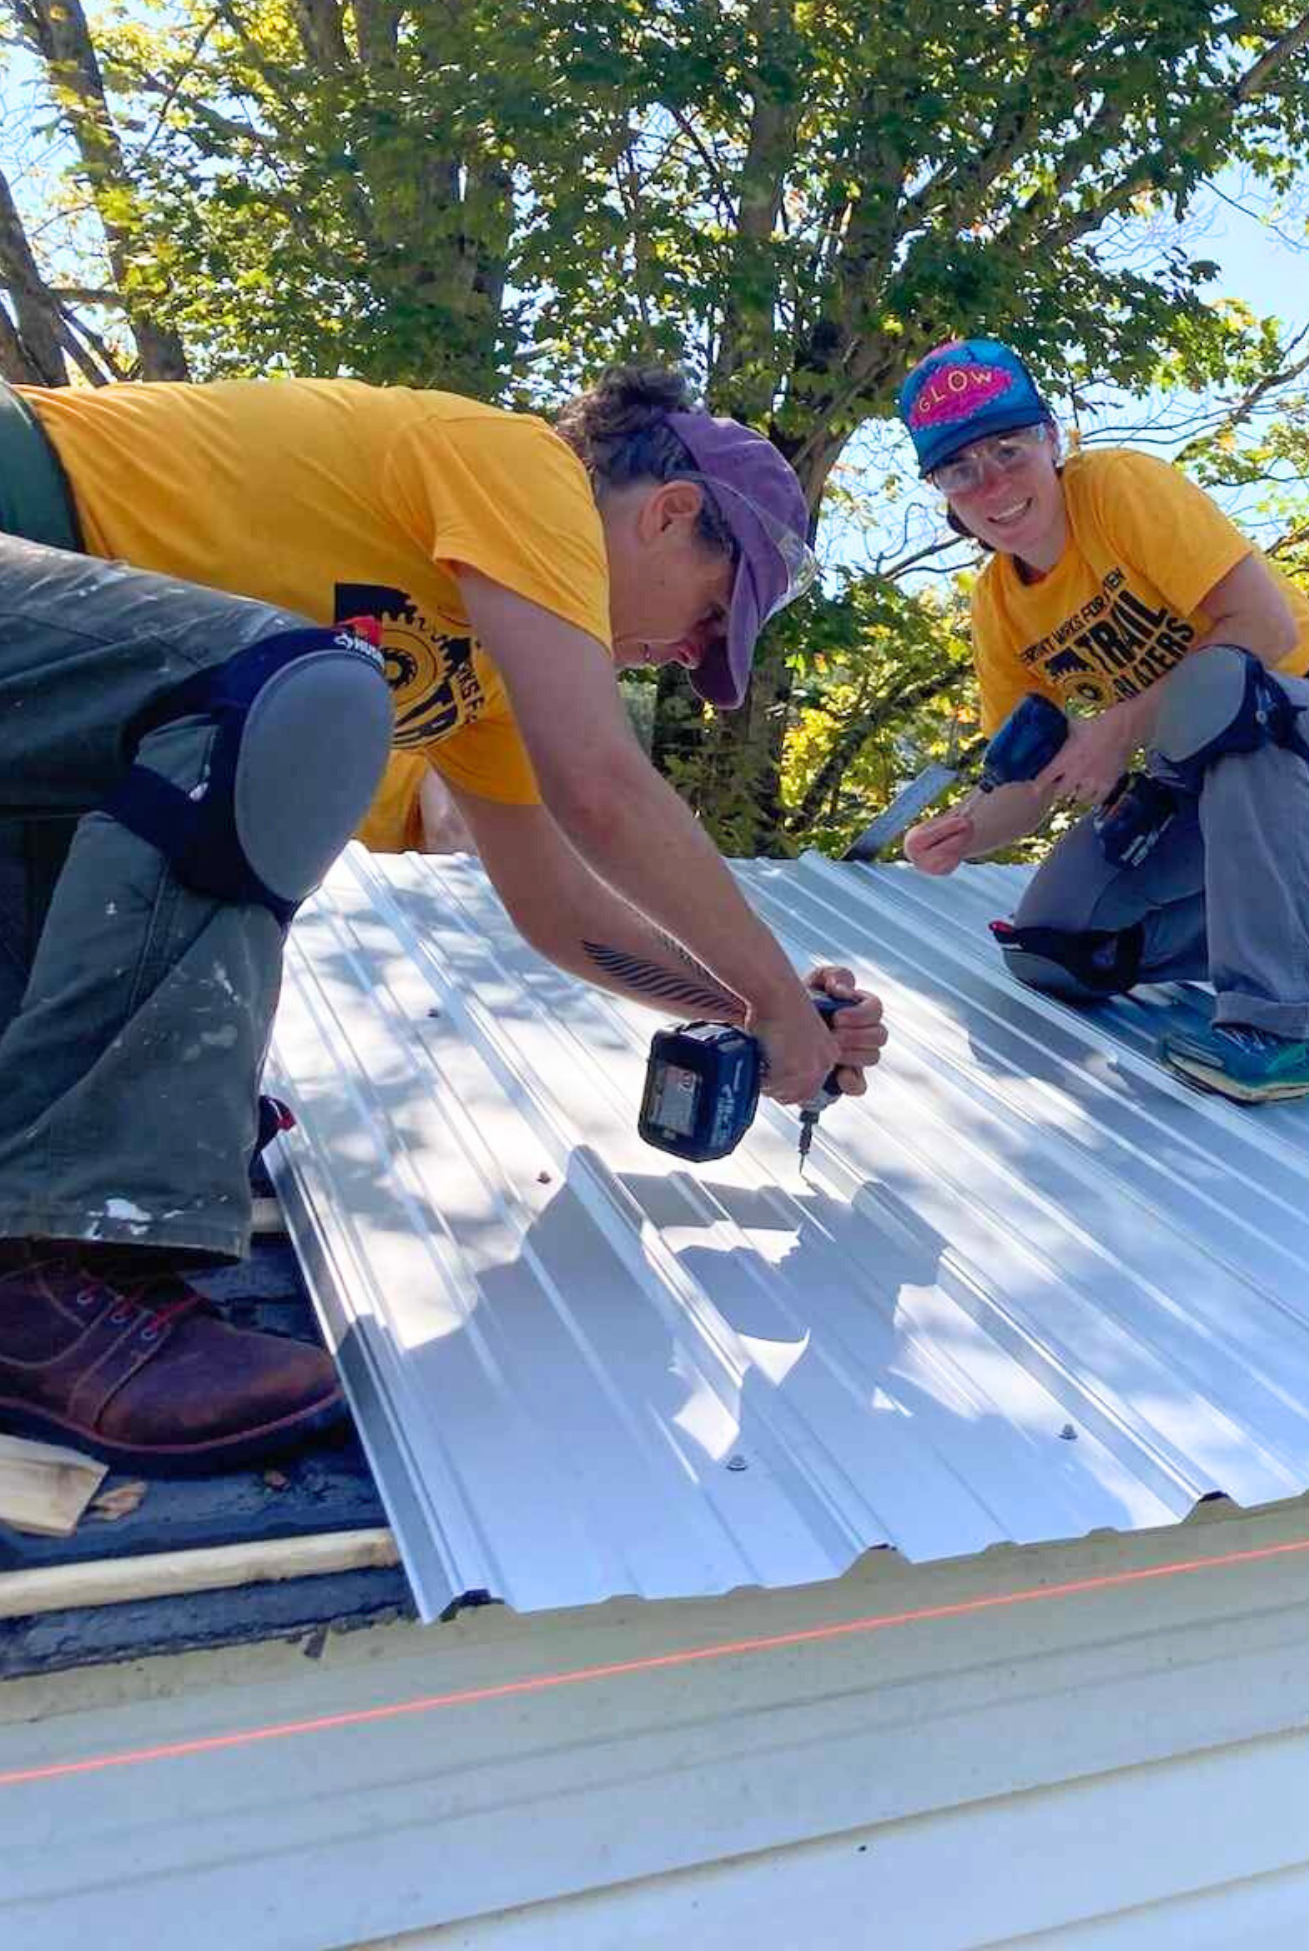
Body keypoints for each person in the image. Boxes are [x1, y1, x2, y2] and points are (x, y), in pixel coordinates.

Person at [0, 365, 886, 1473]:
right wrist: (763, 988)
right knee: (297, 695)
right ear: (667, 511)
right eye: (712, 610)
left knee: (220, 745)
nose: (689, 654)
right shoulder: (522, 466)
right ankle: (55, 1254)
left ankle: (44, 1233)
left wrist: (761, 1012)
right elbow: (600, 790)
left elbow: (558, 909)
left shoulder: (480, 673)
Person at [894, 338, 1309, 1105]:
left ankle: (1287, 1029)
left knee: (1222, 692)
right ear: (943, 491)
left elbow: (1264, 629)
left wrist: (1118, 724)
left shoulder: (1119, 487)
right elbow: (1032, 781)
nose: (993, 482)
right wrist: (968, 830)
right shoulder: (997, 605)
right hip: (1205, 785)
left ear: (1050, 439)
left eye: (1008, 448)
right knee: (1059, 948)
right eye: (960, 469)